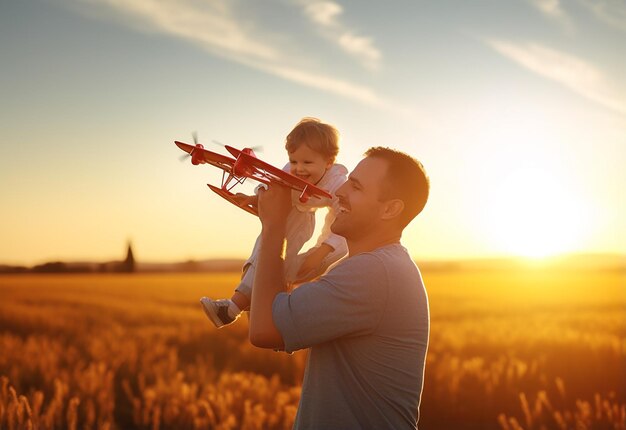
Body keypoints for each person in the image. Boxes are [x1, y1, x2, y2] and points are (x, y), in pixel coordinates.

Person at [249, 146, 430, 429]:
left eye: (355, 187)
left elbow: (264, 328)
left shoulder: (373, 272)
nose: (339, 192)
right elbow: (273, 310)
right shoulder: (376, 266)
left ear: (390, 209)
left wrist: (275, 226)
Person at [200, 117, 349, 328]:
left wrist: (325, 248)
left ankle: (248, 308)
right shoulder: (289, 169)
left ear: (329, 162)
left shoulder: (336, 181)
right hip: (290, 210)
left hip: (309, 219)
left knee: (294, 264)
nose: (299, 168)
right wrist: (255, 199)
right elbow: (274, 186)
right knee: (263, 253)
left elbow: (342, 216)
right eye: (294, 160)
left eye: (307, 162)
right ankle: (239, 308)